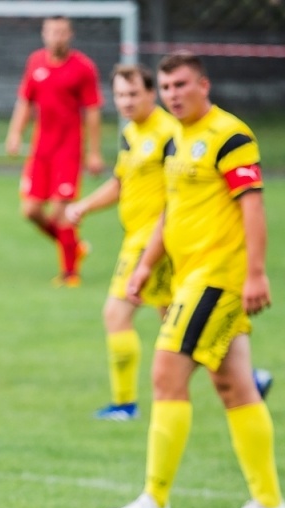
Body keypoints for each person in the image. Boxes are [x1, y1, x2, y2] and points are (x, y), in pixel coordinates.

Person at [103, 53, 285, 508]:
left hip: (217, 277)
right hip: (187, 275)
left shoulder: (230, 135)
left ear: (204, 84)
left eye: (182, 84)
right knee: (234, 385)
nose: (173, 94)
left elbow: (253, 206)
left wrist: (256, 273)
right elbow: (171, 212)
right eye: (166, 87)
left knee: (166, 373)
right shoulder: (174, 139)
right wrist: (146, 265)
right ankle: (269, 503)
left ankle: (154, 501)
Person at [61, 64, 180, 420]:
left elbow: (178, 194)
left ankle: (125, 404)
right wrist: (84, 206)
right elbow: (120, 182)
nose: (125, 102)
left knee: (116, 314)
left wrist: (160, 236)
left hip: (154, 240)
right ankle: (248, 377)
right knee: (174, 322)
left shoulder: (169, 134)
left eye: (133, 94)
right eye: (119, 95)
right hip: (140, 238)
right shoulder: (131, 134)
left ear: (151, 94)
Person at [4, 16, 102, 287]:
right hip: (41, 151)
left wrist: (94, 152)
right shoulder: (35, 62)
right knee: (30, 210)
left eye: (62, 32)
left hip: (68, 152)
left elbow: (92, 111)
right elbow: (25, 101)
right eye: (52, 31)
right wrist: (15, 134)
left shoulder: (83, 68)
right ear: (44, 34)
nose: (57, 36)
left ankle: (70, 274)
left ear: (70, 35)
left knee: (61, 213)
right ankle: (74, 246)